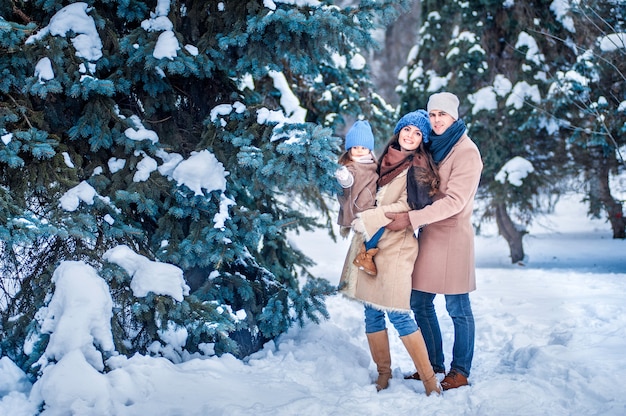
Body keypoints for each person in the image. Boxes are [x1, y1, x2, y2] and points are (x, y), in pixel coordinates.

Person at [338, 110, 441, 396]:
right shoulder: (381, 160)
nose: (410, 136)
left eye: (417, 133)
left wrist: (371, 217)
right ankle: (383, 373)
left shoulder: (418, 165)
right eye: (407, 129)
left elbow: (410, 208)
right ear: (399, 131)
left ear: (422, 140)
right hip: (369, 245)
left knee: (398, 313)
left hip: (396, 246)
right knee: (371, 313)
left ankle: (430, 380)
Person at [385, 92, 483, 391]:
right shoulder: (434, 147)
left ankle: (460, 370)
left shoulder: (466, 152)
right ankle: (432, 364)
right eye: (432, 115)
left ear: (454, 116)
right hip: (429, 235)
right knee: (420, 301)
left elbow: (454, 201)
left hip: (452, 235)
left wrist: (411, 219)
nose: (437, 120)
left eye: (443, 114)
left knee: (457, 306)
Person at [335, 120, 382, 276]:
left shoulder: (374, 165)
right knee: (362, 240)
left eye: (363, 147)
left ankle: (365, 257)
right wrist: (343, 178)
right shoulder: (350, 167)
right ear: (349, 149)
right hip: (359, 211)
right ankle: (363, 260)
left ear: (369, 149)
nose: (359, 151)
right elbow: (348, 183)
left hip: (372, 208)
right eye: (355, 147)